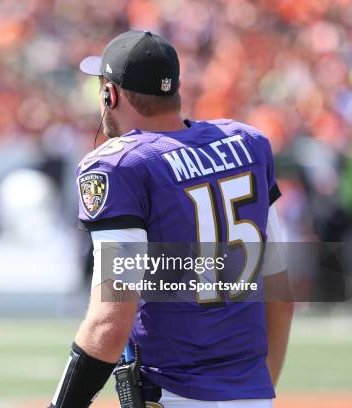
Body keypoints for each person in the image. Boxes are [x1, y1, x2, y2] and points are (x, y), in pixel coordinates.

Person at [48, 31, 293, 408]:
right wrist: (259, 390)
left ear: (109, 94)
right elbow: (279, 291)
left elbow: (109, 324)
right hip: (253, 394)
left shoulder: (120, 165)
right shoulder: (248, 144)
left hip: (175, 392)